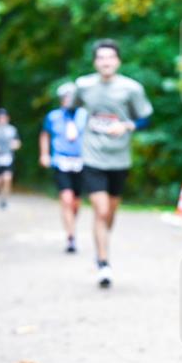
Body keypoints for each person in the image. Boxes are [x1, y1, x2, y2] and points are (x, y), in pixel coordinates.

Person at [71, 39, 153, 287]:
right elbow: (70, 109)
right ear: (95, 62)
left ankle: (102, 244)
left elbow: (145, 119)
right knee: (101, 210)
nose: (105, 62)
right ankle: (103, 263)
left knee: (111, 213)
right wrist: (73, 128)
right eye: (101, 58)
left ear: (118, 61)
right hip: (92, 156)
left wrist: (127, 125)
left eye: (110, 57)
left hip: (119, 158)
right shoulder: (83, 86)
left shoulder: (131, 89)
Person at [40, 82, 88, 253]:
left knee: (76, 202)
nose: (69, 100)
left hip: (81, 161)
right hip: (61, 160)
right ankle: (71, 236)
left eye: (72, 97)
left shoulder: (84, 115)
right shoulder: (53, 116)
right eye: (66, 97)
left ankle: (72, 225)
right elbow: (45, 134)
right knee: (66, 199)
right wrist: (44, 154)